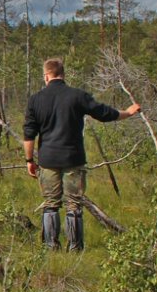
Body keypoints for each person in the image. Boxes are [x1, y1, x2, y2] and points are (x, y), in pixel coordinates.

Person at [22, 58, 140, 251]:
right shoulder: (77, 96)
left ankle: (51, 246)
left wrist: (29, 160)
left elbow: (29, 134)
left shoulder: (36, 100)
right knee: (74, 205)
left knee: (51, 204)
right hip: (73, 159)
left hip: (48, 160)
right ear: (63, 74)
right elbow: (104, 113)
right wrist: (127, 112)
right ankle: (75, 248)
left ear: (46, 76)